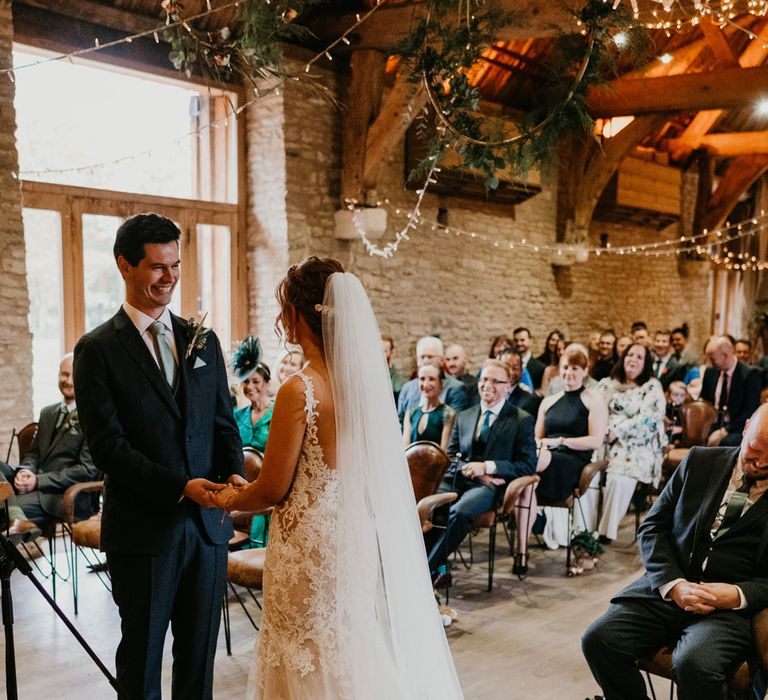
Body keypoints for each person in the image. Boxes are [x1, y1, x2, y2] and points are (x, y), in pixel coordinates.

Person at [211, 257, 463, 698]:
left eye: (283, 307)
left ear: (295, 314)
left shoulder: (300, 390)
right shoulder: (361, 389)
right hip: (351, 536)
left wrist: (222, 498)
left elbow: (272, 489)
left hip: (308, 544)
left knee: (301, 650)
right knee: (346, 644)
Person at [73, 213, 245, 700]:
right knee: (142, 658)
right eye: (156, 267)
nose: (169, 278)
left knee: (198, 661)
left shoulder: (203, 341)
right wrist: (178, 487)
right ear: (124, 265)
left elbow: (223, 424)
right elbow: (108, 447)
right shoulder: (98, 350)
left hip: (208, 530)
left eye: (175, 265)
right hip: (144, 531)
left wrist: (232, 474)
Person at [582, 404, 768, 700]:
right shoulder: (699, 460)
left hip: (727, 611)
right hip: (668, 589)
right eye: (755, 450)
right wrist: (674, 584)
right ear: (745, 429)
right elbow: (652, 528)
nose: (759, 464)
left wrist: (735, 595)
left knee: (695, 663)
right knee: (598, 640)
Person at [423, 358, 537, 585]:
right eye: (484, 379)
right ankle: (435, 568)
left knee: (461, 511)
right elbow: (450, 457)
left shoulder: (521, 420)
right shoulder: (464, 416)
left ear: (507, 385)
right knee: (428, 504)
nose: (488, 385)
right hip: (459, 478)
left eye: (496, 381)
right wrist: (471, 469)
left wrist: (487, 467)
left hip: (490, 486)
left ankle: (425, 571)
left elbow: (527, 465)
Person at [513, 345, 607, 574]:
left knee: (527, 468)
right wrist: (543, 444)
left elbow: (595, 441)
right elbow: (537, 437)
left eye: (575, 368)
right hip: (544, 457)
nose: (569, 373)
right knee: (527, 485)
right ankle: (521, 553)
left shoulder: (594, 400)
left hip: (572, 462)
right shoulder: (548, 401)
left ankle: (505, 478)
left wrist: (562, 441)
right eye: (565, 368)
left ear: (584, 371)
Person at [0, 353, 98, 533]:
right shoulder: (47, 412)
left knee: (1, 507)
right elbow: (34, 453)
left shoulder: (92, 417)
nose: (68, 381)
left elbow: (86, 470)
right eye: (64, 374)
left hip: (66, 496)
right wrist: (26, 471)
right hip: (34, 484)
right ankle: (18, 519)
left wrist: (38, 481)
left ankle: (15, 521)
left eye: (74, 375)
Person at [595, 342, 667, 543]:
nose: (633, 360)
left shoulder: (651, 386)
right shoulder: (606, 384)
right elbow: (593, 410)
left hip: (636, 446)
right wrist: (603, 428)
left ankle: (603, 534)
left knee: (618, 477)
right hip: (603, 441)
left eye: (639, 357)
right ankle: (584, 530)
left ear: (646, 364)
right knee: (587, 472)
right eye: (629, 355)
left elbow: (649, 419)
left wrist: (618, 430)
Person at [232, 335, 273, 548]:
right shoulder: (237, 416)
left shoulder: (277, 414)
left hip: (268, 490)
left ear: (266, 383)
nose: (250, 386)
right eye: (246, 381)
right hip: (243, 486)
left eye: (255, 381)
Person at [701, 336, 762, 447]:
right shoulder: (710, 372)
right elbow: (704, 401)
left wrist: (726, 430)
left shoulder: (749, 374)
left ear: (724, 356)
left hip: (737, 427)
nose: (709, 362)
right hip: (713, 423)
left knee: (726, 442)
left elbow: (750, 411)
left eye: (712, 359)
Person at [397, 336, 466, 423]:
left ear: (441, 360)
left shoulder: (455, 388)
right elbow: (399, 422)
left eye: (430, 357)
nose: (425, 361)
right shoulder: (407, 388)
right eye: (422, 357)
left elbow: (455, 426)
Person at [403, 360, 457, 451]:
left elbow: (444, 454)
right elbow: (405, 450)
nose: (426, 384)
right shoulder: (410, 414)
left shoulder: (448, 414)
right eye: (422, 379)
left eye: (431, 379)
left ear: (441, 383)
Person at [499, 348, 541, 416]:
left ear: (521, 371)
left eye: (515, 368)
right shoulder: (487, 393)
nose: (511, 372)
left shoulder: (530, 401)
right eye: (506, 366)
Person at [382, 334, 406, 402]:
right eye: (378, 351)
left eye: (384, 351)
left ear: (392, 353)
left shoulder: (400, 384)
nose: (380, 355)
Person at [665, 380, 689, 446]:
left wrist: (681, 429)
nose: (679, 398)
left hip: (681, 434)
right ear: (669, 395)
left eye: (682, 395)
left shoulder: (686, 410)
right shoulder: (666, 408)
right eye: (675, 395)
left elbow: (688, 425)